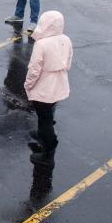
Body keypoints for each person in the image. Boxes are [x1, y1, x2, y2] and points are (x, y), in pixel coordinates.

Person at [24, 10, 72, 167]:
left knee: (45, 121)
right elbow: (69, 62)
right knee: (49, 113)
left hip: (43, 89)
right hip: (59, 85)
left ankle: (48, 153)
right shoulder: (66, 39)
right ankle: (43, 135)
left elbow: (34, 70)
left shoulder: (41, 44)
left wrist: (28, 86)